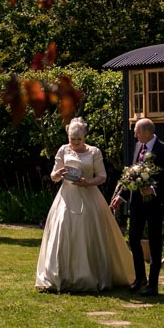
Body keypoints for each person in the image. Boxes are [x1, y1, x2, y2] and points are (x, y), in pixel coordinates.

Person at [35, 117, 134, 292]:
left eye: (79, 140)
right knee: (63, 230)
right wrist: (58, 173)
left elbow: (102, 176)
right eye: (72, 139)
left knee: (89, 233)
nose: (75, 143)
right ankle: (59, 275)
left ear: (84, 137)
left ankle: (89, 274)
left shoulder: (94, 152)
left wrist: (88, 182)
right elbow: (53, 176)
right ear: (68, 137)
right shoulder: (63, 150)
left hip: (89, 196)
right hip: (67, 196)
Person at [111, 117, 164, 296]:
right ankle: (140, 278)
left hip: (155, 203)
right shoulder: (139, 147)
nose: (134, 135)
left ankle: (153, 284)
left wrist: (153, 189)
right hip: (137, 202)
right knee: (133, 238)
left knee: (155, 242)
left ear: (147, 132)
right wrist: (121, 197)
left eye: (137, 131)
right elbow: (132, 174)